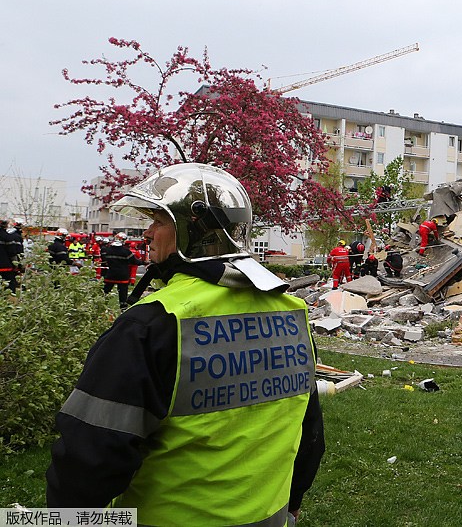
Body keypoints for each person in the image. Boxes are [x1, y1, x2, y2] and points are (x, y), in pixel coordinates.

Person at [46, 163, 324, 524]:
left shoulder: (152, 324)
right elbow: (308, 429)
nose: (147, 233)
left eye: (158, 221)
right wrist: (295, 497)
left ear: (191, 229)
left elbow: (91, 457)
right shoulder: (292, 312)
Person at [101, 233, 144, 310]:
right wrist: (144, 262)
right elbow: (134, 261)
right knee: (123, 293)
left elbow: (104, 259)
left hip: (110, 274)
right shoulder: (126, 251)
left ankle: (100, 305)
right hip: (122, 275)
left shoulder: (108, 250)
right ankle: (123, 308)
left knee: (105, 291)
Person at [0, 219, 25, 292]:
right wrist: (17, 265)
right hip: (5, 267)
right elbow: (12, 253)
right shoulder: (8, 237)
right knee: (9, 288)